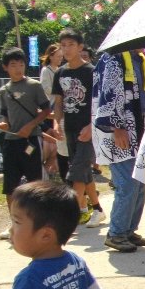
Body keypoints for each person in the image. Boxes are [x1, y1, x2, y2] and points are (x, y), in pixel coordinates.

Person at [92, 51, 145, 253]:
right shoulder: (113, 59)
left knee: (139, 182)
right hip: (118, 130)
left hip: (136, 128)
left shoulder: (139, 59)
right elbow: (108, 95)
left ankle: (128, 230)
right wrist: (117, 128)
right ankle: (116, 233)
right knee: (127, 183)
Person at [0, 48, 53, 239]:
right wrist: (4, 125)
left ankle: (39, 221)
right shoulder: (4, 90)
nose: (18, 68)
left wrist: (31, 126)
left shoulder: (33, 85)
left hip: (31, 140)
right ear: (6, 67)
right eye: (13, 65)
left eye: (21, 64)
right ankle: (14, 224)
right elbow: (5, 115)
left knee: (35, 183)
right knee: (10, 185)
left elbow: (46, 111)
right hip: (11, 141)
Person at [52, 29, 104, 228]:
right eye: (63, 45)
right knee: (83, 171)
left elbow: (100, 103)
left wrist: (92, 126)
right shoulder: (60, 73)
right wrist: (56, 123)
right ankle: (97, 210)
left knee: (76, 173)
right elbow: (58, 102)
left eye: (71, 45)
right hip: (70, 128)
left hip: (89, 129)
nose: (66, 49)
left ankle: (70, 216)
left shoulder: (92, 72)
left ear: (80, 47)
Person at [39, 43, 67, 180]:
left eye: (61, 56)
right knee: (54, 139)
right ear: (50, 56)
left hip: (62, 104)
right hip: (52, 105)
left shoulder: (61, 69)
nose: (60, 59)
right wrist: (60, 91)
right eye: (57, 56)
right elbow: (45, 88)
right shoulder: (46, 70)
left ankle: (55, 170)